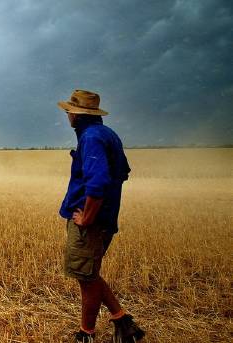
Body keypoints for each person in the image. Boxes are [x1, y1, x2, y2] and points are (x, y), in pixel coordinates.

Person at [57, 90, 145, 343]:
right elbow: (123, 172)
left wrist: (88, 217)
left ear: (77, 114)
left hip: (92, 224)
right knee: (90, 273)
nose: (68, 115)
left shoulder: (91, 138)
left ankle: (86, 334)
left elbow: (97, 183)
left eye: (69, 111)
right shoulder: (106, 134)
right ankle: (122, 322)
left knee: (86, 278)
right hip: (104, 219)